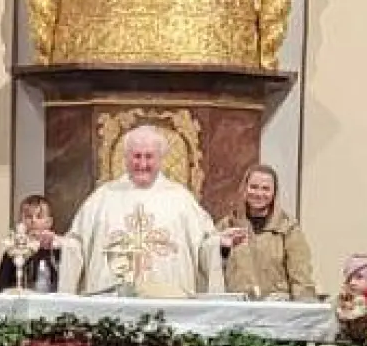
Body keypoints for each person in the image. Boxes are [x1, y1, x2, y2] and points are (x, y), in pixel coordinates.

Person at [60, 126, 223, 297]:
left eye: (149, 157)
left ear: (160, 159)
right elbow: (76, 242)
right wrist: (61, 245)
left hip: (169, 303)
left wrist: (218, 244)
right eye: (136, 156)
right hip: (110, 303)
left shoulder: (181, 200)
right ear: (126, 158)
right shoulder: (102, 198)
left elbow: (204, 244)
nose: (142, 164)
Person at [217, 164, 316, 301]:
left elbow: (301, 276)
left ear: (274, 193)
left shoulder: (288, 228)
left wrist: (304, 311)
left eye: (265, 189)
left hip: (276, 310)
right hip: (237, 309)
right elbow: (213, 270)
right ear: (244, 189)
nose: (258, 194)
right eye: (254, 187)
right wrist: (223, 249)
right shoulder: (226, 226)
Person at [0, 195, 61, 293]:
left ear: (49, 222)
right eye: (28, 217)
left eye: (39, 217)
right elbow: (1, 284)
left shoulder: (57, 250)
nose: (33, 221)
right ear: (21, 222)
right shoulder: (13, 250)